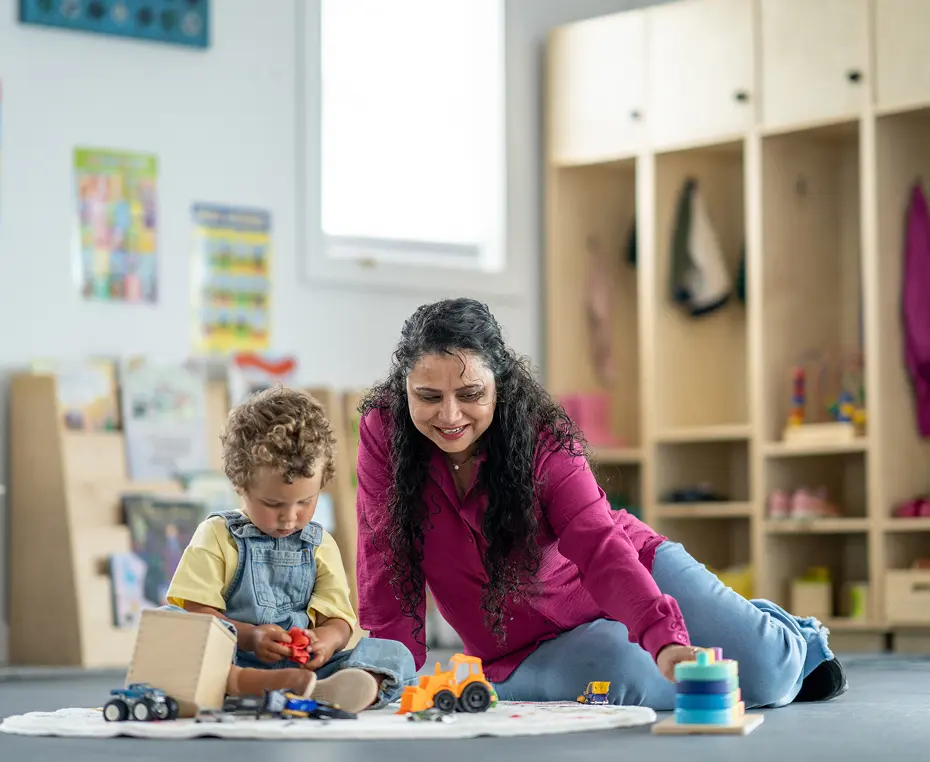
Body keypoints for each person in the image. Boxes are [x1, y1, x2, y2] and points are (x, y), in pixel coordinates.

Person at [355, 297, 847, 710]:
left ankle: (778, 632)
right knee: (623, 679)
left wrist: (665, 637)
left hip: (630, 568)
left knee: (772, 678)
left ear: (499, 386)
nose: (449, 415)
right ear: (404, 387)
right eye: (427, 396)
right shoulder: (385, 434)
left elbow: (598, 546)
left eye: (470, 394)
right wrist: (385, 674)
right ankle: (668, 633)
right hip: (524, 645)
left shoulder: (541, 436)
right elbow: (385, 563)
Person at [166, 386, 415, 712]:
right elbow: (197, 614)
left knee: (396, 654)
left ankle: (323, 689)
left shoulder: (319, 544)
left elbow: (338, 622)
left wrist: (325, 641)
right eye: (272, 503)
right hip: (233, 661)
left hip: (305, 668)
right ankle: (252, 686)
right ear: (241, 484)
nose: (289, 516)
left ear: (321, 484)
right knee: (172, 624)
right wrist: (251, 637)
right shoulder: (217, 536)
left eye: (305, 501)